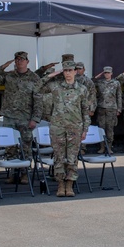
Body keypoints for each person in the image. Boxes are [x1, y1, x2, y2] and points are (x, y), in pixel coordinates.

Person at [0, 51, 42, 184]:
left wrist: (35, 118)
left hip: (26, 117)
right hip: (10, 116)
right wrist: (4, 66)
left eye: (22, 60)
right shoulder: (9, 76)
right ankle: (13, 173)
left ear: (27, 61)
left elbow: (39, 100)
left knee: (25, 146)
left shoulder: (34, 78)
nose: (19, 62)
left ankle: (24, 173)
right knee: (10, 146)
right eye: (17, 60)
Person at [44, 61, 91, 197]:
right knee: (59, 157)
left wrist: (85, 129)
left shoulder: (82, 89)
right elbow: (38, 87)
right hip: (58, 127)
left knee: (72, 158)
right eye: (65, 70)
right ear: (63, 72)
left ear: (75, 72)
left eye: (71, 70)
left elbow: (85, 111)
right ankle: (60, 185)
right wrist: (52, 74)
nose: (68, 73)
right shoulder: (55, 87)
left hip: (75, 128)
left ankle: (70, 185)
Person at [94, 66, 122, 154]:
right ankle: (102, 147)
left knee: (110, 129)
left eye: (108, 73)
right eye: (105, 73)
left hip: (112, 108)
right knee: (101, 129)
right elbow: (91, 82)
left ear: (111, 73)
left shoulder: (116, 83)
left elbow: (119, 96)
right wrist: (99, 75)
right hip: (101, 108)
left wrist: (119, 109)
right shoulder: (100, 82)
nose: (107, 74)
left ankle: (109, 147)